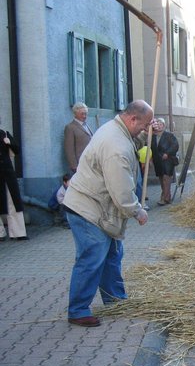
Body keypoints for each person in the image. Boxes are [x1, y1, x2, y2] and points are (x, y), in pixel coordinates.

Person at [62, 100, 153, 327]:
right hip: (88, 209)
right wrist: (137, 211)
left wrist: (148, 131)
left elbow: (133, 141)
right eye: (144, 126)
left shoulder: (117, 130)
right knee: (92, 258)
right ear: (132, 119)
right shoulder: (116, 147)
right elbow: (122, 192)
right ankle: (78, 310)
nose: (144, 130)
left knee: (112, 255)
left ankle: (115, 301)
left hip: (99, 208)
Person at [0, 124, 28, 241]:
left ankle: (18, 232)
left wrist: (9, 143)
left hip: (7, 172)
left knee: (13, 202)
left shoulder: (4, 134)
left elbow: (16, 150)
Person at [150, 118, 179, 206]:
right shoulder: (153, 136)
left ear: (164, 125)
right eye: (157, 124)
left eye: (161, 124)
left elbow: (175, 145)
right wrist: (150, 159)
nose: (159, 126)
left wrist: (167, 153)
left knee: (166, 179)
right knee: (162, 179)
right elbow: (151, 148)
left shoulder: (169, 135)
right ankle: (167, 197)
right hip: (158, 161)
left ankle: (165, 198)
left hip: (167, 161)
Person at [64, 102, 93, 174]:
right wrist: (74, 166)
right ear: (75, 114)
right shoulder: (70, 127)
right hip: (80, 164)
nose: (84, 116)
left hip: (90, 162)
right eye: (82, 114)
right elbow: (69, 149)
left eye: (86, 113)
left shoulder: (86, 126)